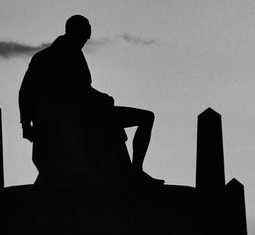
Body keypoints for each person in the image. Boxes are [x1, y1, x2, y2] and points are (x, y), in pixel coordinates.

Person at [18, 14, 156, 184]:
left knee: (140, 117)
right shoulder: (61, 56)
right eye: (84, 37)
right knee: (146, 117)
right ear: (75, 33)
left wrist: (26, 124)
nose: (85, 42)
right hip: (82, 119)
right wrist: (103, 99)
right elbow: (76, 92)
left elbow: (26, 93)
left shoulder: (52, 55)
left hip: (85, 115)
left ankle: (132, 171)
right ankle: (135, 171)